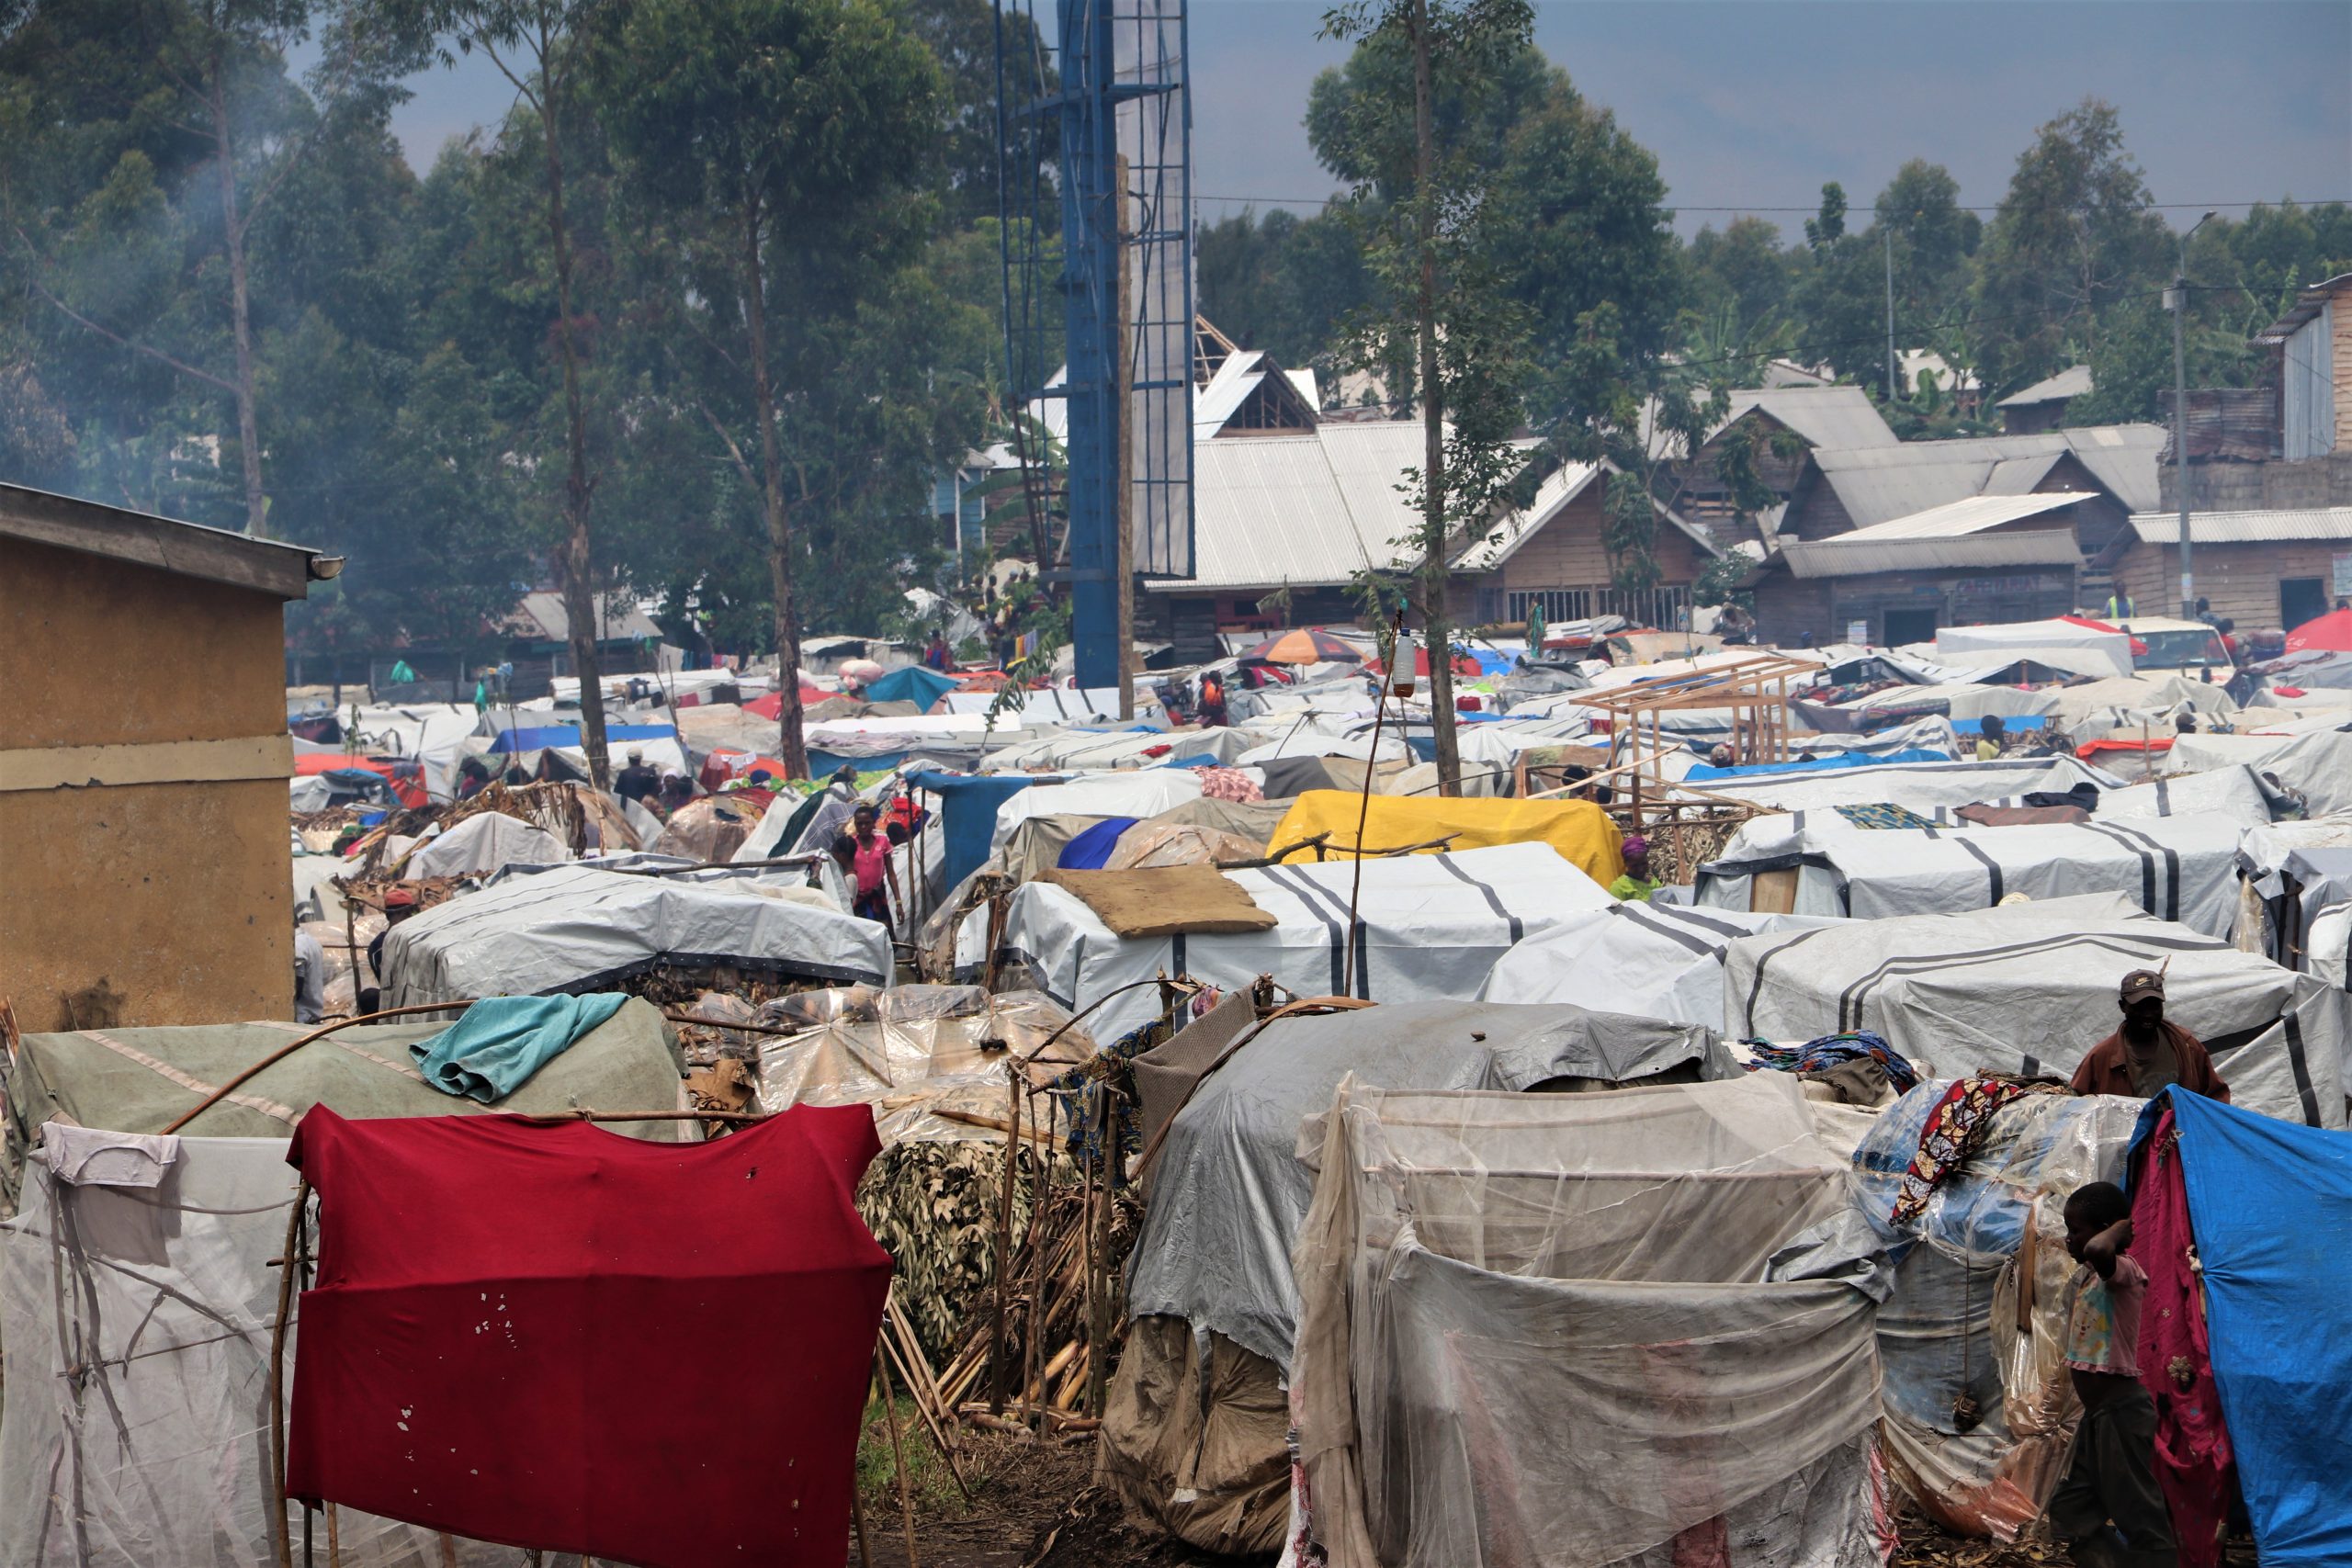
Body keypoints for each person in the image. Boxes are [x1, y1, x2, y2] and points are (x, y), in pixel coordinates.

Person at [2044, 1181, 2174, 1567]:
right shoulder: (2086, 1277)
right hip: (2098, 1418)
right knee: (2071, 1511)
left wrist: (2120, 1227)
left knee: (2140, 1516)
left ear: (2103, 1230)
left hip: (2122, 1412)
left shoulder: (2124, 1271)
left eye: (2076, 1230)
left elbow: (2101, 1249)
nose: (2069, 1239)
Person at [2070, 967, 2231, 1101]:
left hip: (2178, 1136)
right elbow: (2075, 1104)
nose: (2148, 1014)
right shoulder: (2102, 1057)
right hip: (2128, 1139)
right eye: (2139, 1007)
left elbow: (2216, 1095)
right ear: (2122, 1007)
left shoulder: (2186, 1046)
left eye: (2154, 1006)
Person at [832, 803, 900, 931]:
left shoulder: (882, 842)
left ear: (873, 823)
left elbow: (891, 873)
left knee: (882, 934)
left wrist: (898, 902)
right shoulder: (851, 843)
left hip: (878, 897)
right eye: (859, 823)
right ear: (855, 824)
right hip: (857, 898)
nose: (863, 827)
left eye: (867, 823)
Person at [293, 925, 327, 1025]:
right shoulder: (311, 941)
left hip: (300, 1018)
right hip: (313, 1015)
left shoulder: (297, 945)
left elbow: (295, 990)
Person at [1608, 836, 1659, 902]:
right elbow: (1616, 911)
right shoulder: (1619, 888)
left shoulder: (1654, 882)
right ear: (1626, 863)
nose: (1641, 869)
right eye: (1634, 866)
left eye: (1644, 863)